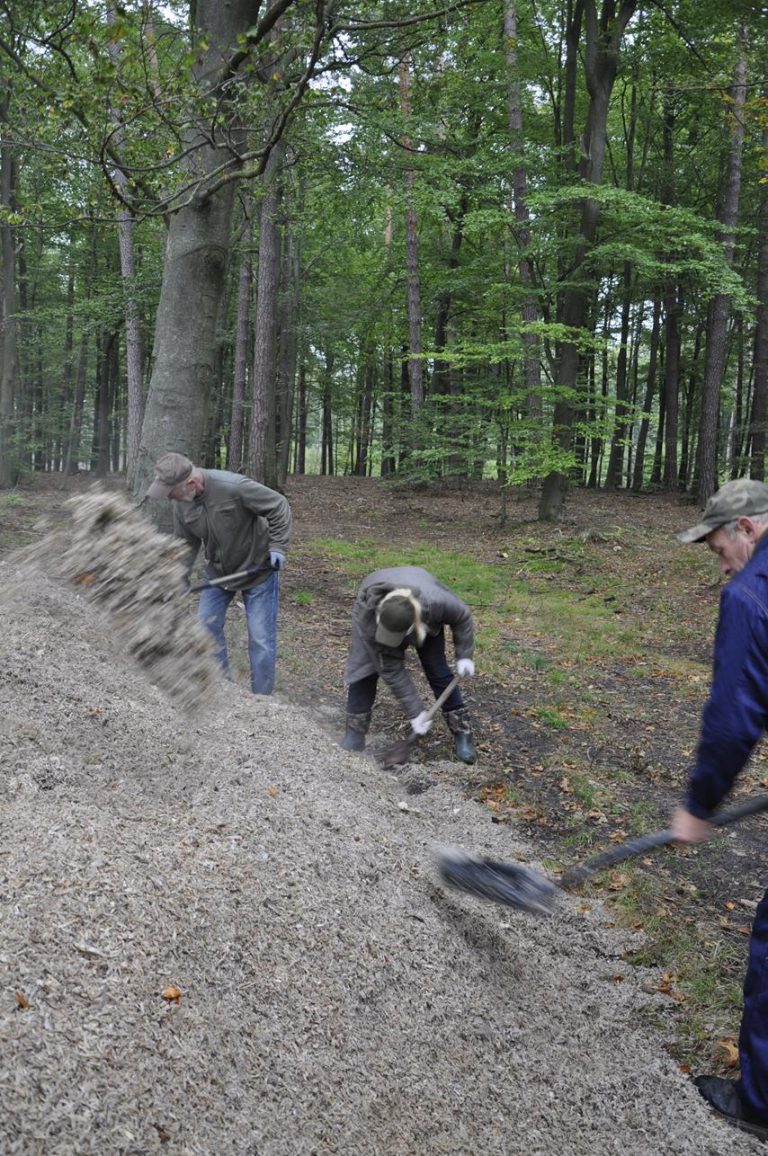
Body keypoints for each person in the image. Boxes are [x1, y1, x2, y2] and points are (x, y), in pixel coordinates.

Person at [673, 478, 768, 1141]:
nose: (721, 565)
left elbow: (734, 720)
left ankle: (758, 1103)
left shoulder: (751, 595)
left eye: (718, 550)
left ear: (749, 530)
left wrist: (699, 804)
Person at [147, 452, 291, 696]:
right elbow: (185, 544)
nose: (169, 498)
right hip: (218, 572)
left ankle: (263, 703)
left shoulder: (233, 487)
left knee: (260, 639)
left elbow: (279, 506)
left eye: (172, 492)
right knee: (205, 628)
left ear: (191, 484)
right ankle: (226, 690)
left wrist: (277, 546)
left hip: (257, 571)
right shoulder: (182, 506)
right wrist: (178, 579)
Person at [341, 565, 477, 764]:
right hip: (374, 612)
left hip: (423, 608)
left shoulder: (436, 603)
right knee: (365, 668)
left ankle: (462, 732)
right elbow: (390, 669)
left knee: (437, 669)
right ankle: (355, 732)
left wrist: (464, 655)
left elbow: (463, 617)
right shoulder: (369, 616)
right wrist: (416, 713)